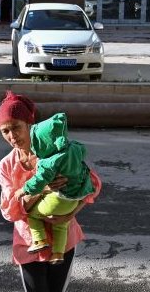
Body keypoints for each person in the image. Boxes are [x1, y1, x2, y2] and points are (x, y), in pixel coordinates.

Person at [0, 91, 101, 292]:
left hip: (64, 240)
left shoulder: (58, 150)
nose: (12, 135)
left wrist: (72, 208)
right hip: (27, 245)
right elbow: (9, 209)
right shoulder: (6, 166)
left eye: (16, 126)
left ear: (30, 123)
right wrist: (41, 193)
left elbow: (92, 184)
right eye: (5, 131)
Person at [14, 112, 94, 264]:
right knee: (61, 225)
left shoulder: (48, 162)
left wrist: (22, 190)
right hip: (75, 199)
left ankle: (39, 240)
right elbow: (83, 151)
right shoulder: (74, 148)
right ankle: (58, 254)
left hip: (57, 199)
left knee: (32, 215)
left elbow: (38, 182)